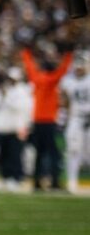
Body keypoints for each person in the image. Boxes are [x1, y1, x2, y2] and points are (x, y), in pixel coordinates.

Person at [21, 46, 72, 192]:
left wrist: (26, 53)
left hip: (37, 121)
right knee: (54, 153)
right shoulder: (51, 80)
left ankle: (36, 183)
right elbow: (62, 71)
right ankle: (54, 182)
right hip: (49, 122)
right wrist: (69, 55)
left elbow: (29, 66)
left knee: (39, 153)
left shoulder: (36, 78)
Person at [59, 58, 90, 193]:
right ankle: (72, 181)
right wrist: (64, 118)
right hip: (75, 118)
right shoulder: (68, 81)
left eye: (81, 66)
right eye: (77, 67)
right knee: (73, 151)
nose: (79, 69)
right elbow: (64, 101)